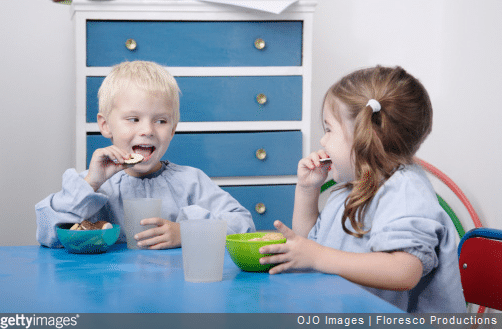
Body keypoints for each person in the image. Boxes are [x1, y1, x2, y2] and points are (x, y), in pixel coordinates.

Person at [259, 66, 466, 313]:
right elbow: (310, 243)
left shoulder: (405, 191)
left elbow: (404, 271)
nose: (323, 141)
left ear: (366, 136)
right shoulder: (353, 188)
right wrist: (307, 190)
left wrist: (319, 257)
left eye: (329, 130)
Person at [36, 60, 255, 249]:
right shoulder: (95, 186)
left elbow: (243, 226)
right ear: (105, 126)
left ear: (172, 129)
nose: (148, 130)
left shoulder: (191, 182)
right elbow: (48, 234)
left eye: (160, 121)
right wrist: (90, 183)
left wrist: (187, 232)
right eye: (133, 119)